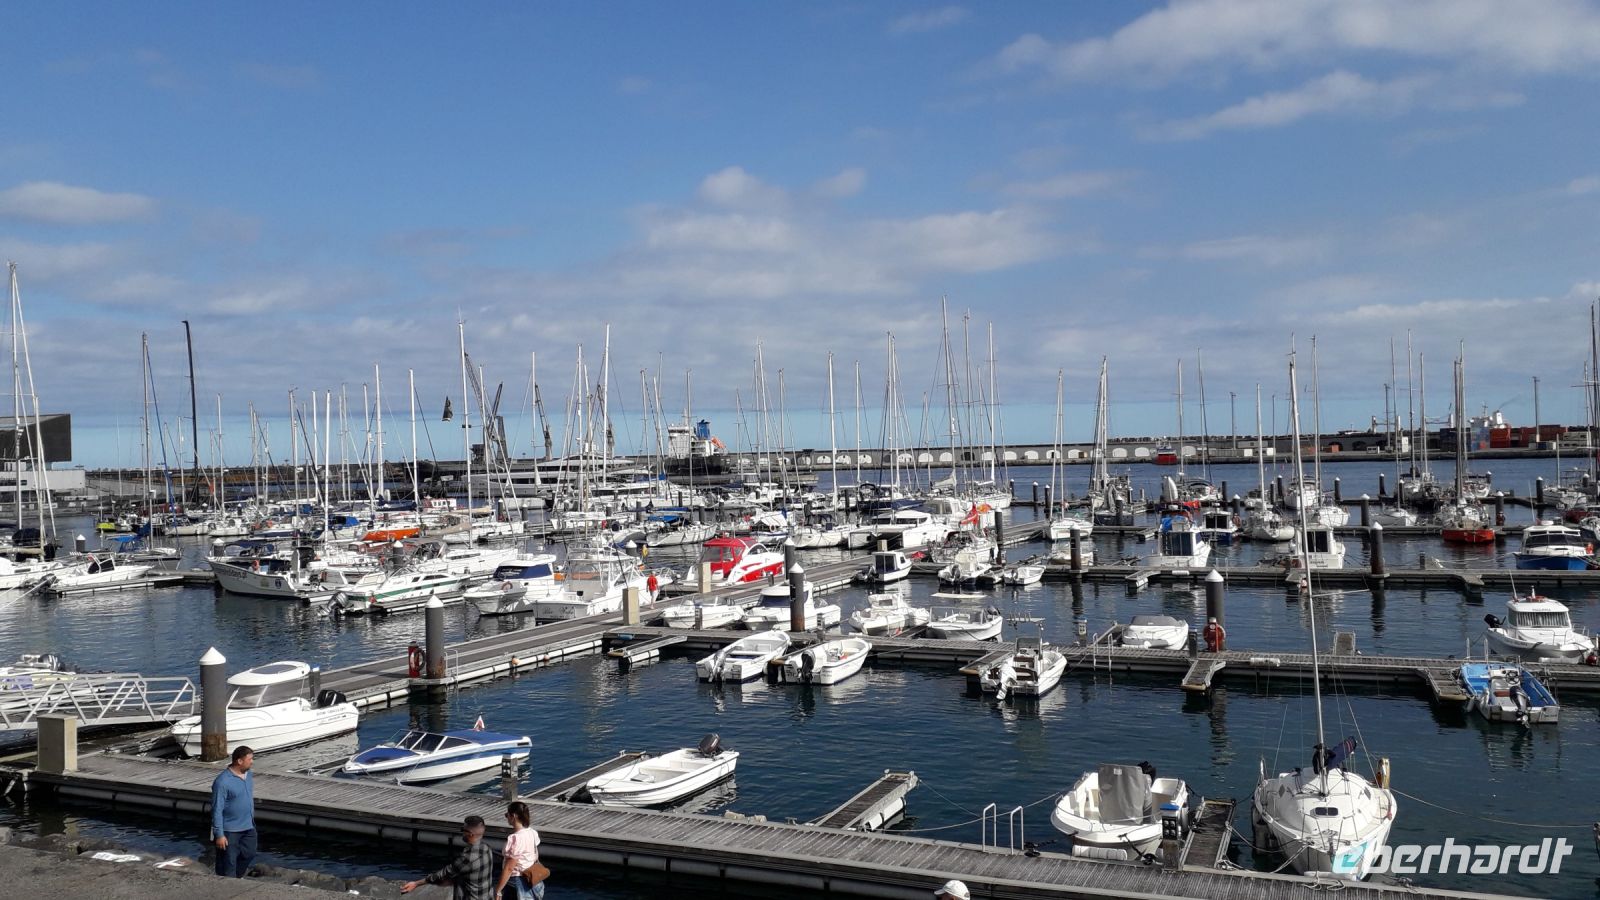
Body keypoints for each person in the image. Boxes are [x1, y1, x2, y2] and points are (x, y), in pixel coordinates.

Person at [402, 816, 495, 900]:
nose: (461, 832)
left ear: (470, 834)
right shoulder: (487, 849)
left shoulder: (467, 858)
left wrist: (416, 883)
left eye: (463, 829)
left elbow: (443, 874)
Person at [210, 745, 257, 877]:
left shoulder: (248, 775)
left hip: (248, 826)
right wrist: (219, 834)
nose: (252, 762)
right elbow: (216, 809)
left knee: (250, 853)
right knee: (228, 863)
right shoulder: (222, 782)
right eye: (250, 759)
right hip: (230, 830)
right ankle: (226, 886)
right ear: (239, 761)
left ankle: (236, 878)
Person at [494, 801, 546, 900]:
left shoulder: (515, 838)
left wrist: (498, 890)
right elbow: (536, 855)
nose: (507, 818)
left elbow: (509, 867)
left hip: (516, 882)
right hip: (531, 878)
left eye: (507, 815)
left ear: (513, 816)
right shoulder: (532, 832)